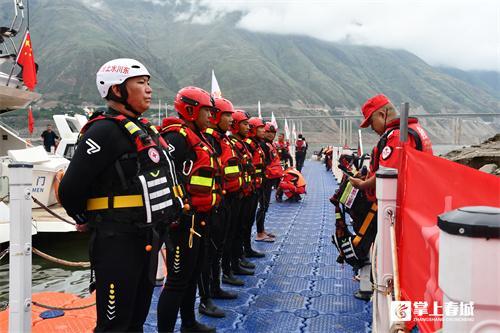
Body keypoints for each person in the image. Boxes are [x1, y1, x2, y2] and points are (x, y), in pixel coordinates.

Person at [59, 58, 183, 332]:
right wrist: (87, 218)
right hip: (117, 241)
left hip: (146, 238)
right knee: (114, 325)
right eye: (140, 83)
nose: (148, 89)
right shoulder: (104, 131)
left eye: (148, 83)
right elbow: (69, 189)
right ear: (116, 90)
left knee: (136, 319)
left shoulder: (142, 129)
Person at [157, 86, 220, 333]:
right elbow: (166, 176)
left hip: (200, 219)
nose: (210, 116)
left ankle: (189, 323)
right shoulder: (177, 138)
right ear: (191, 109)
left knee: (192, 275)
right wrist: (179, 213)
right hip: (183, 223)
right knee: (176, 281)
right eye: (206, 111)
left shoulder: (199, 135)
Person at [197, 97, 240, 319]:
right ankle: (205, 298)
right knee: (208, 252)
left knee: (219, 246)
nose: (231, 120)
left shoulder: (220, 139)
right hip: (207, 207)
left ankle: (216, 286)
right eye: (227, 115)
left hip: (222, 200)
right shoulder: (210, 140)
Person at [349, 94, 433, 197]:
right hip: (418, 194)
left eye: (371, 122)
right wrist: (367, 177)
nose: (372, 128)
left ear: (382, 115)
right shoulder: (414, 128)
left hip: (400, 203)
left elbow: (387, 173)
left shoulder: (397, 136)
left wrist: (362, 185)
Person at [242, 117, 267, 257]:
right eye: (260, 128)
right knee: (244, 222)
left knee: (249, 220)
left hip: (256, 185)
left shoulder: (256, 144)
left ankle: (247, 248)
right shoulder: (249, 144)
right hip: (249, 187)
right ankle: (243, 250)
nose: (263, 131)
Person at [255, 122, 283, 242]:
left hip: (269, 179)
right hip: (264, 180)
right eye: (268, 132)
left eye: (273, 132)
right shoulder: (263, 145)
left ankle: (262, 230)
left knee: (265, 206)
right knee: (262, 206)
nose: (271, 135)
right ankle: (259, 233)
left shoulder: (269, 145)